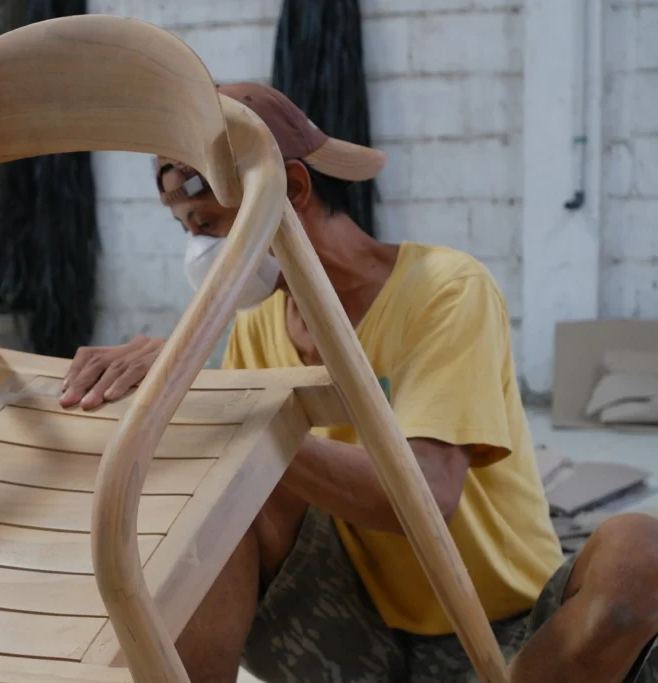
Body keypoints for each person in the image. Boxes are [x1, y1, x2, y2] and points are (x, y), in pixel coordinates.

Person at [60, 82, 658, 683]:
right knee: (223, 501)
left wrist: (221, 402)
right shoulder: (258, 329)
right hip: (355, 637)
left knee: (642, 553)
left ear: (292, 189)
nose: (199, 251)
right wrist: (170, 400)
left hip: (509, 638)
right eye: (189, 228)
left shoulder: (444, 291)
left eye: (209, 223)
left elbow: (424, 498)